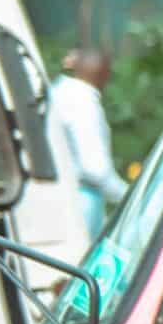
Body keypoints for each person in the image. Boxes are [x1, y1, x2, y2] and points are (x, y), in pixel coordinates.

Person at [46, 47, 125, 240]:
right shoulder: (83, 102)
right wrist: (128, 195)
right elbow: (95, 169)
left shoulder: (57, 93)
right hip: (80, 200)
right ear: (104, 75)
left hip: (55, 196)